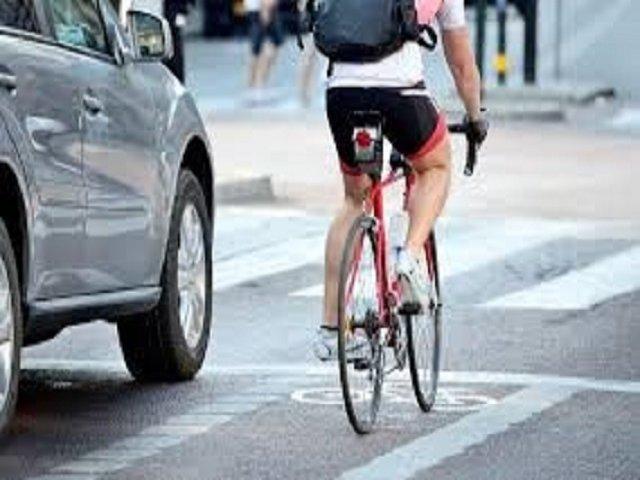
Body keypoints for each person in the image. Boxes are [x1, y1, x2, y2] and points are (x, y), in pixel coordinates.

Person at [314, 0, 488, 360]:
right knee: (435, 166)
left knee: (354, 199)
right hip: (400, 93)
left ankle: (330, 328)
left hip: (341, 91)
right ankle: (408, 257)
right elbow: (461, 65)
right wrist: (475, 116)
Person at [246, 0, 283, 100]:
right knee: (264, 49)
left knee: (258, 50)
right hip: (264, 9)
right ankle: (258, 86)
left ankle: (255, 86)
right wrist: (265, 9)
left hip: (261, 8)